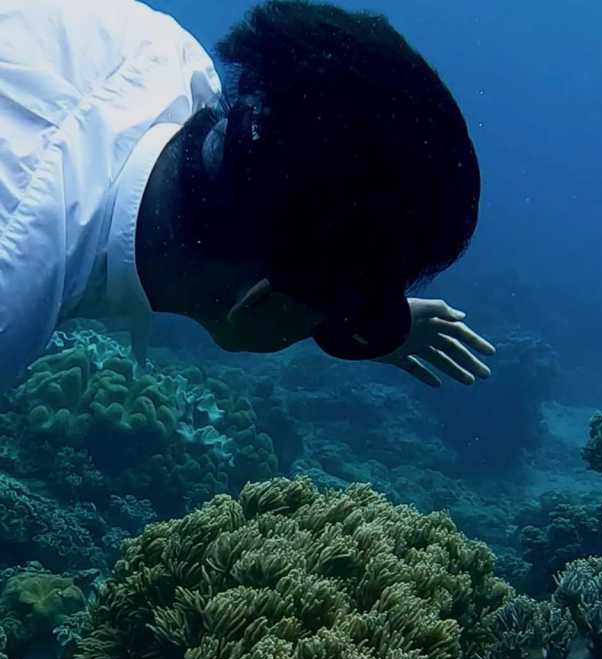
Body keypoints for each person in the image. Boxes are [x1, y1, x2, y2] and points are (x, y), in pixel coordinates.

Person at [0, 0, 494, 391]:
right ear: (262, 304)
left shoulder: (163, 51)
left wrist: (334, 305)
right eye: (333, 323)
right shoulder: (13, 291)